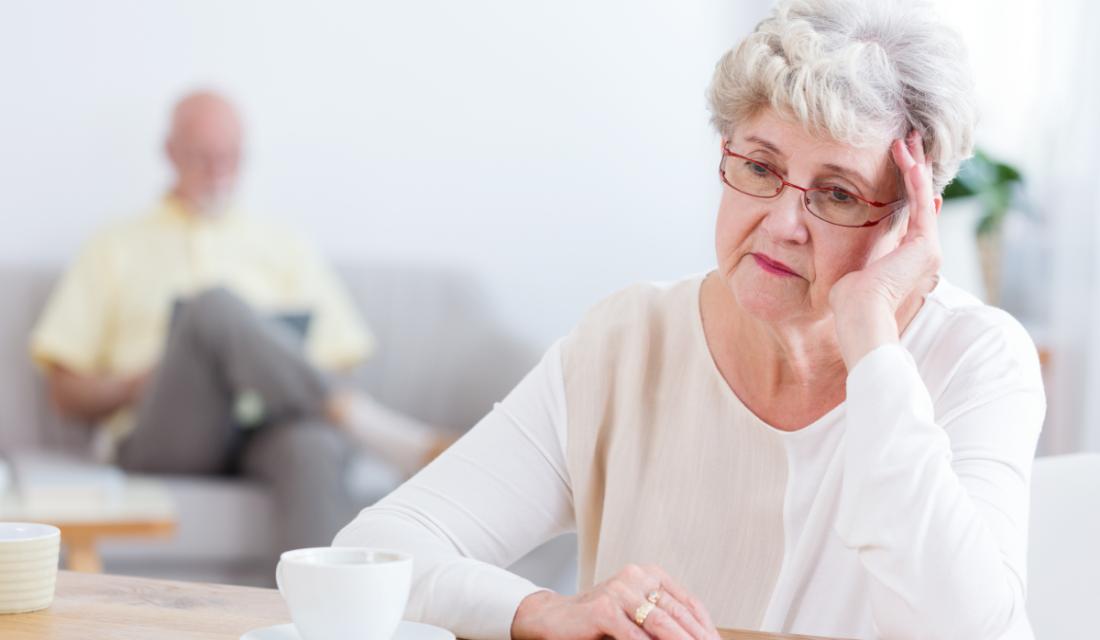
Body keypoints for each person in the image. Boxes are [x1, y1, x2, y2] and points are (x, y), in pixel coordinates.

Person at [332, 1, 1045, 639]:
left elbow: (966, 629)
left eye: (836, 193)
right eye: (761, 168)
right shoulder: (629, 340)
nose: (782, 223)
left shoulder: (976, 359)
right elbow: (379, 550)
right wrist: (541, 611)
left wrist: (871, 342)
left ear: (909, 225)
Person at [31, 91, 448, 553]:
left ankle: (316, 620)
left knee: (312, 446)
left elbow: (338, 361)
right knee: (212, 306)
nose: (219, 171)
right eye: (203, 157)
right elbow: (64, 392)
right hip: (169, 434)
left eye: (230, 157)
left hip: (265, 428)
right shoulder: (114, 246)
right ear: (170, 153)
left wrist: (270, 366)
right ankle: (385, 434)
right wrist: (138, 383)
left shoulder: (285, 245)